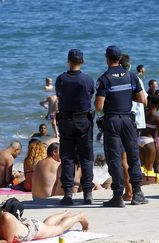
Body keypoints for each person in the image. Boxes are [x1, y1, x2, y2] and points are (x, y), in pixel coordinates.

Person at [95, 45, 148, 207]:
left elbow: (99, 106)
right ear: (120, 59)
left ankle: (118, 195)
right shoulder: (131, 76)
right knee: (133, 156)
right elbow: (142, 100)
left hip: (112, 121)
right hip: (128, 121)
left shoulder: (104, 79)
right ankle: (137, 193)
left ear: (107, 58)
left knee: (115, 158)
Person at [56, 49, 95, 205]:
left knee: (67, 157)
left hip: (66, 120)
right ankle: (87, 192)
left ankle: (68, 193)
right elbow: (90, 94)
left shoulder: (61, 79)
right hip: (83, 119)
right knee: (86, 157)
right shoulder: (87, 79)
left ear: (68, 61)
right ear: (82, 62)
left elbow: (59, 95)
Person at [0, 201, 88, 243]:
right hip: (25, 224)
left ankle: (79, 217)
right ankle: (65, 213)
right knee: (48, 225)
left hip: (32, 230)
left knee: (58, 230)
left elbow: (7, 241)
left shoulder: (6, 218)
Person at [119, 53, 147, 201]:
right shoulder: (136, 80)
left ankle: (129, 190)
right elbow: (145, 101)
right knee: (133, 157)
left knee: (123, 158)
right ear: (129, 65)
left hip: (126, 119)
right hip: (137, 123)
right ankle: (135, 189)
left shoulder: (121, 79)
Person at [139, 95, 159, 173]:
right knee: (151, 167)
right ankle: (154, 184)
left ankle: (143, 182)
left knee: (142, 166)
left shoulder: (145, 111)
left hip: (139, 140)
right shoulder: (157, 117)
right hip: (149, 142)